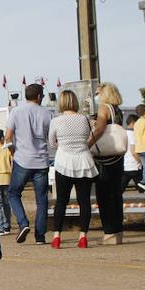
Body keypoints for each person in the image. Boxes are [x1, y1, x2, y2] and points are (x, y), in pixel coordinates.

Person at [49, 90, 99, 249]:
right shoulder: (84, 119)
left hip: (64, 161)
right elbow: (88, 138)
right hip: (84, 161)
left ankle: (57, 236)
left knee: (61, 201)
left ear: (61, 103)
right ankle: (83, 236)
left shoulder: (56, 121)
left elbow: (52, 142)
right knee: (84, 201)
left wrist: (63, 146)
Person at [6, 83, 54, 245]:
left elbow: (8, 137)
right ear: (40, 96)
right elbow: (51, 138)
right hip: (41, 161)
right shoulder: (47, 114)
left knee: (13, 193)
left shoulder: (16, 112)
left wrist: (13, 152)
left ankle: (23, 223)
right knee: (41, 200)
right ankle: (40, 236)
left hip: (22, 159)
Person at [89, 82, 126, 245]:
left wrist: (88, 144)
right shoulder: (118, 110)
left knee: (103, 195)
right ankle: (117, 231)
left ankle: (109, 232)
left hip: (105, 159)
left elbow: (100, 129)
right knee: (116, 194)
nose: (96, 97)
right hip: (118, 157)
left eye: (98, 93)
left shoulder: (104, 109)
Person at [123, 114, 144, 192]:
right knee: (142, 189)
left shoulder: (123, 133)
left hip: (125, 165)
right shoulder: (133, 134)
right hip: (134, 165)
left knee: (120, 190)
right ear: (132, 123)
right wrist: (141, 162)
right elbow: (133, 152)